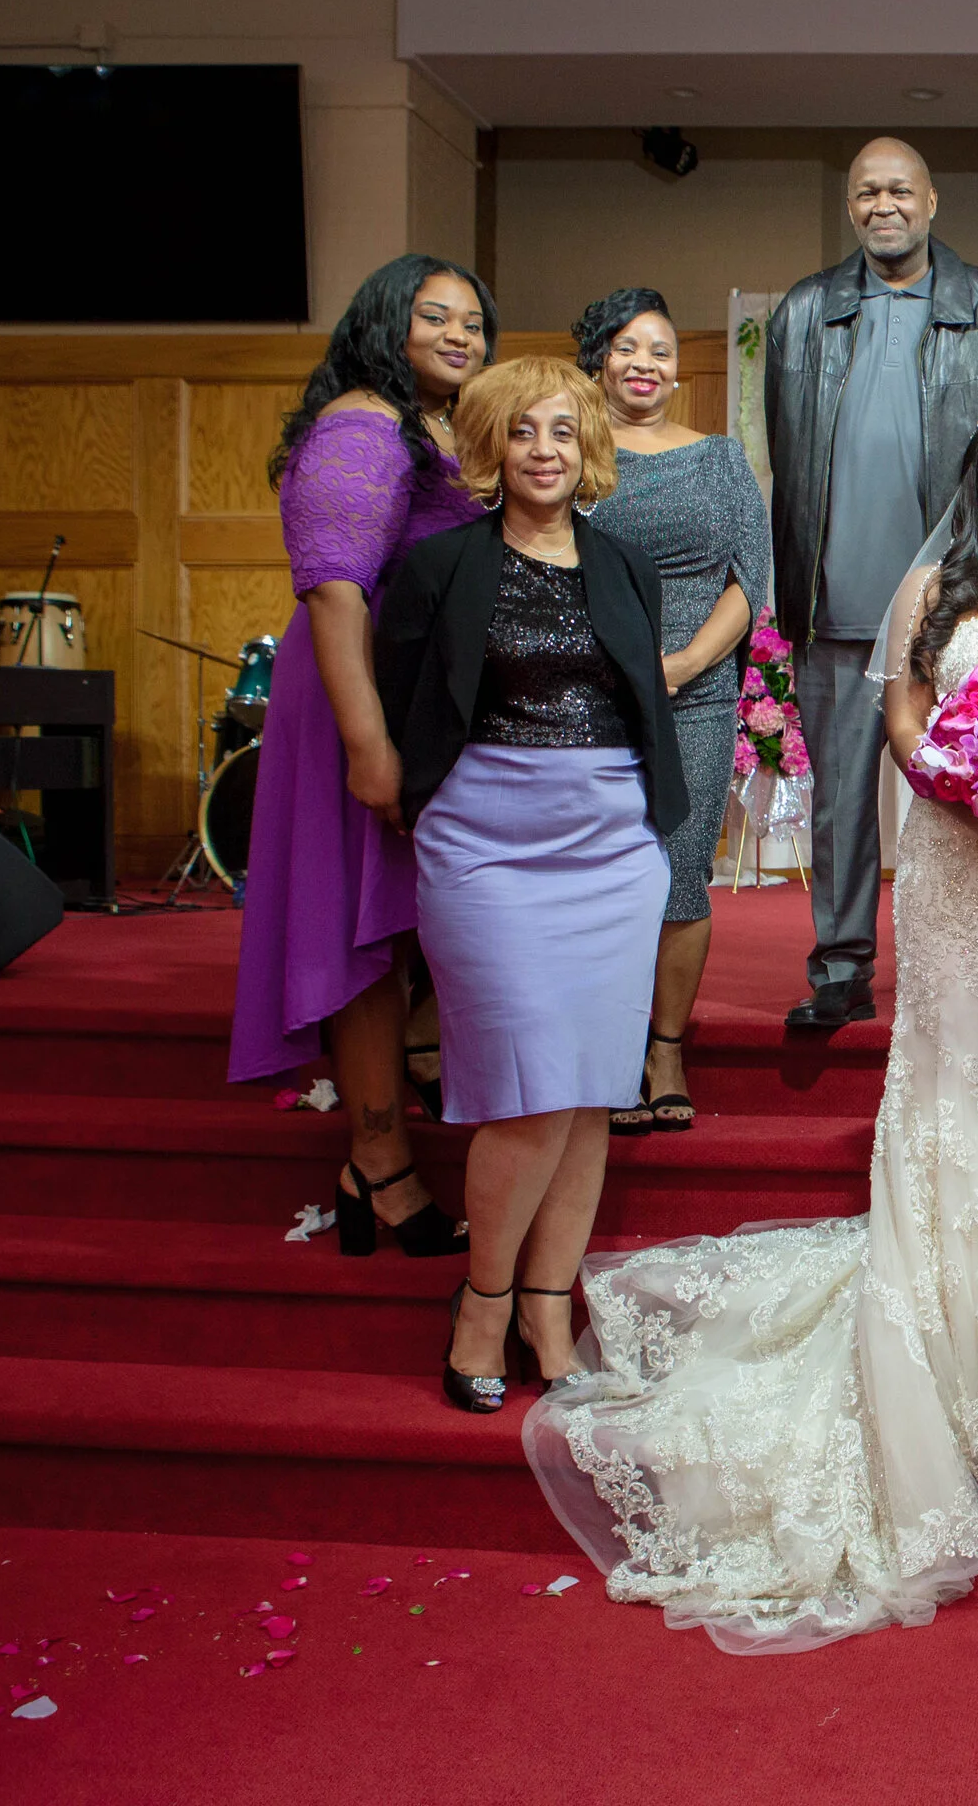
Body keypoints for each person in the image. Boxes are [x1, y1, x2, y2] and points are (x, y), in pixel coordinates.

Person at [522, 402, 978, 1653]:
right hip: (963, 869)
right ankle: (948, 1333)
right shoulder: (934, 591)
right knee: (962, 1077)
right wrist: (964, 783)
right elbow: (903, 719)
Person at [373, 356, 686, 1411]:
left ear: (585, 444)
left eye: (561, 430)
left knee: (590, 1087)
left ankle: (549, 1307)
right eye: (521, 431)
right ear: (491, 448)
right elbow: (403, 704)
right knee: (528, 1086)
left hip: (611, 849)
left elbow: (643, 701)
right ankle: (483, 1300)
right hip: (484, 845)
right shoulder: (440, 567)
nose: (543, 450)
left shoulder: (627, 565)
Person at [229, 252, 493, 1259]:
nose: (460, 335)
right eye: (436, 316)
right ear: (386, 323)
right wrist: (369, 744)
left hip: (407, 698)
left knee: (405, 928)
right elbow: (337, 594)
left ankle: (370, 1153)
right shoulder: (362, 426)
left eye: (473, 321)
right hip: (356, 696)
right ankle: (379, 1163)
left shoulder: (427, 426)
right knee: (366, 941)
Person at [765, 136, 978, 1030]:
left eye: (900, 191)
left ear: (932, 200)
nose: (883, 206)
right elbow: (789, 460)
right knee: (840, 805)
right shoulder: (804, 311)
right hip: (837, 607)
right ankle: (841, 969)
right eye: (866, 193)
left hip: (958, 609)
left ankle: (974, 968)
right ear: (850, 206)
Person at [577, 287, 772, 1135]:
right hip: (585, 696)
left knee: (681, 867)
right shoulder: (570, 451)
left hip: (695, 696)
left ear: (677, 369)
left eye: (660, 350)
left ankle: (664, 1049)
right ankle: (603, 1045)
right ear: (599, 361)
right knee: (597, 871)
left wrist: (686, 664)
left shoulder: (720, 459)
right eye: (627, 347)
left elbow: (751, 581)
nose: (644, 364)